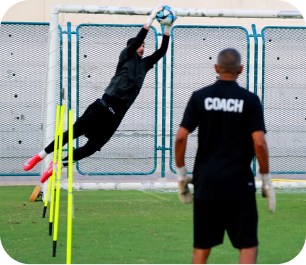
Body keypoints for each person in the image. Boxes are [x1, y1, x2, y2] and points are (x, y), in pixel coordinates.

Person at [23, 4, 176, 183]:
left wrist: (167, 29)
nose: (141, 47)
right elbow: (134, 42)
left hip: (116, 116)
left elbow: (162, 52)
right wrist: (149, 21)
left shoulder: (145, 64)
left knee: (92, 147)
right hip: (102, 107)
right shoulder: (125, 56)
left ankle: (58, 165)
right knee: (72, 133)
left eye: (143, 45)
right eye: (139, 45)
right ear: (130, 47)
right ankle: (39, 156)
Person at [175, 48, 276, 265]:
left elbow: (181, 138)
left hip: (206, 183)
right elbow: (259, 142)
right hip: (239, 184)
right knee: (247, 246)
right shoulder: (250, 100)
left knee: (201, 248)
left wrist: (182, 175)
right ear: (240, 69)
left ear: (216, 68)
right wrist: (266, 179)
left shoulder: (200, 97)